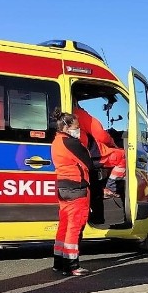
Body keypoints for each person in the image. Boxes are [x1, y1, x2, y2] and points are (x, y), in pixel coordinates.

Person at [50, 110, 92, 277]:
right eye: (77, 126)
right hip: (77, 188)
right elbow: (88, 162)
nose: (78, 129)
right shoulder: (72, 143)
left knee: (64, 225)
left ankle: (58, 263)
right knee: (75, 227)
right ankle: (71, 265)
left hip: (63, 188)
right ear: (67, 127)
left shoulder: (57, 141)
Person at [71, 100, 125, 199]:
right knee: (122, 156)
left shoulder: (65, 121)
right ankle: (110, 189)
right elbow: (101, 135)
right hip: (89, 154)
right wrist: (112, 143)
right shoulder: (79, 114)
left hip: (78, 157)